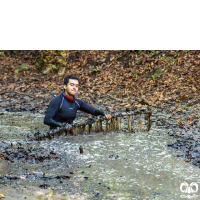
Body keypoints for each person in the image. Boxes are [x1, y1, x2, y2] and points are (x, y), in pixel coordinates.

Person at [44, 74, 112, 130]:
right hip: (55, 135)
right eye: (72, 85)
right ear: (65, 86)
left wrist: (104, 114)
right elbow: (47, 120)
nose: (74, 88)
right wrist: (63, 126)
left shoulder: (77, 103)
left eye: (76, 86)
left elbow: (93, 111)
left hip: (69, 134)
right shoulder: (57, 100)